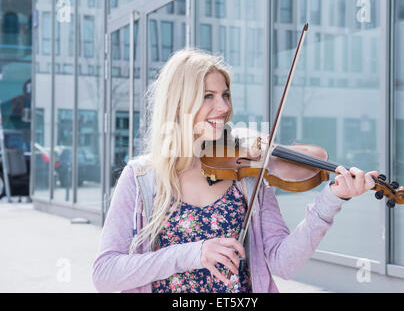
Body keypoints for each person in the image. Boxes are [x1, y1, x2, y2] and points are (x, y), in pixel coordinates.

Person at [92, 49, 378, 293]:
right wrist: (193, 253)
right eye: (208, 96)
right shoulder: (141, 178)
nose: (224, 106)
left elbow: (284, 263)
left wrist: (331, 201)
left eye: (225, 95)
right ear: (180, 103)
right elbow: (105, 273)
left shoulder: (245, 175)